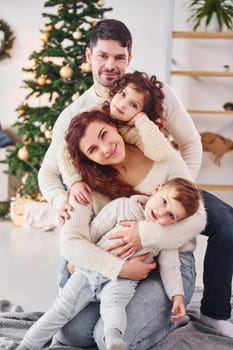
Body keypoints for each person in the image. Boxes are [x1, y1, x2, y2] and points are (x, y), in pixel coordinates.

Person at [38, 19, 233, 347]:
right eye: (102, 56)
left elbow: (191, 144)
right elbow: (49, 172)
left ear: (129, 57)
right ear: (89, 57)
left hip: (162, 189)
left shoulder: (150, 93)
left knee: (226, 222)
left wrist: (178, 188)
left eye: (119, 57)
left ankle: (214, 311)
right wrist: (65, 199)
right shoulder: (77, 115)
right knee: (70, 321)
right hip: (113, 212)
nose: (110, 65)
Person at [16, 176, 205, 350]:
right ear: (157, 189)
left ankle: (113, 339)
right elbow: (94, 231)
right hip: (89, 270)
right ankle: (27, 345)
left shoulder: (164, 236)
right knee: (61, 310)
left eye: (171, 216)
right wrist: (76, 259)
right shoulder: (122, 207)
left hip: (122, 282)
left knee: (114, 308)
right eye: (164, 202)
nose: (161, 213)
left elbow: (170, 266)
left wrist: (177, 295)